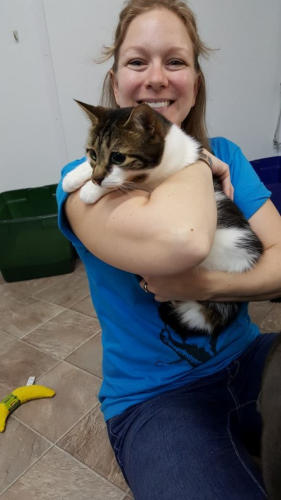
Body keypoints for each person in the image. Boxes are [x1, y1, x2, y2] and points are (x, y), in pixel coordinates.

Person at [56, 1, 281, 498]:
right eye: (138, 61)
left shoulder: (230, 155)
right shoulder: (83, 185)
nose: (156, 77)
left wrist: (213, 285)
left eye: (175, 61)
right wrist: (194, 160)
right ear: (116, 83)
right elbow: (186, 238)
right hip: (154, 400)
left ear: (195, 81)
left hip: (249, 359)